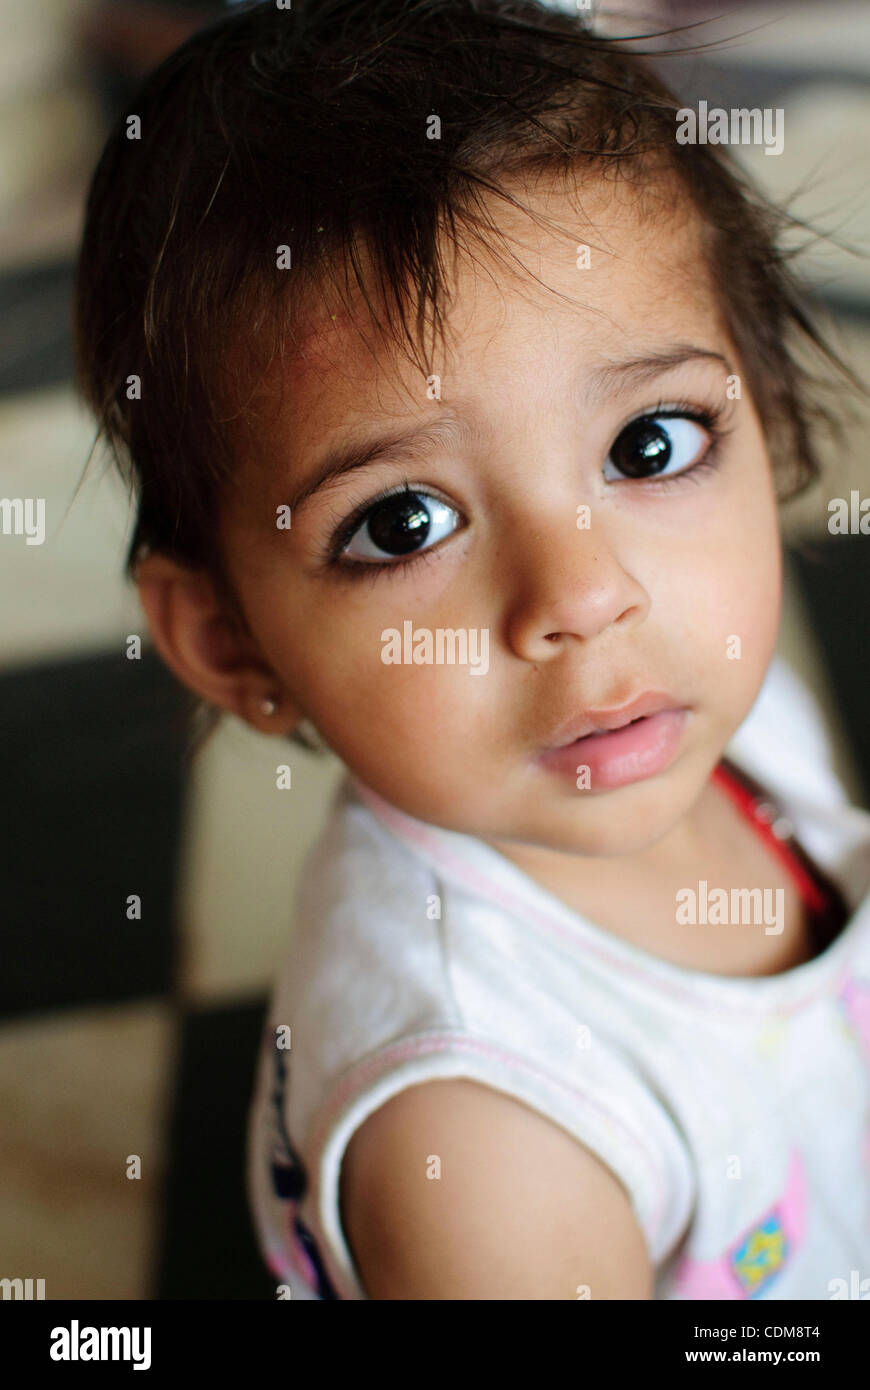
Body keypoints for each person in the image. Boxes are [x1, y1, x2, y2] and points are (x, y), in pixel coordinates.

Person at [73, 0, 870, 1299]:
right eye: (403, 521)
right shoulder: (483, 1135)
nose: (583, 592)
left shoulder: (701, 696)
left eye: (649, 444)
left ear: (763, 412)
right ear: (230, 643)